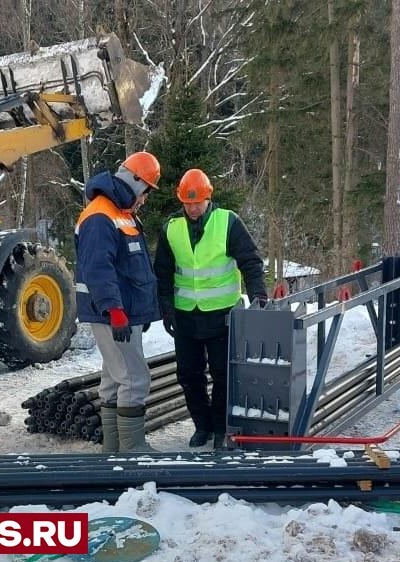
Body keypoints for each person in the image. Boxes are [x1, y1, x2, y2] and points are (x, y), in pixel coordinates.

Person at [154, 168, 267, 450]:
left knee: (222, 374)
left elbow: (250, 262)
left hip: (222, 316)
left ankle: (219, 428)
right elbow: (163, 273)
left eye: (198, 202)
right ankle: (201, 426)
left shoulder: (228, 222)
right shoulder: (171, 228)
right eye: (187, 203)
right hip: (186, 316)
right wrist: (165, 307)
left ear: (209, 197)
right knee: (189, 375)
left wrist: (258, 294)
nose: (192, 208)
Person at [75, 151, 162, 452]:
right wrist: (115, 311)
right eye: (147, 190)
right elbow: (98, 268)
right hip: (111, 313)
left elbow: (133, 268)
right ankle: (133, 449)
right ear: (135, 182)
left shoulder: (120, 213)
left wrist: (138, 311)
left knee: (114, 378)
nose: (146, 198)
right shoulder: (101, 215)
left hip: (120, 312)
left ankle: (112, 448)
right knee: (135, 378)